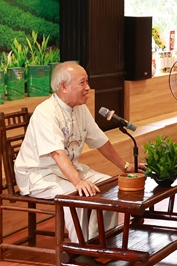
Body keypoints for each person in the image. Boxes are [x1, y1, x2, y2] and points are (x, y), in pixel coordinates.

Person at [13, 62, 136, 241]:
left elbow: (100, 141)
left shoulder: (80, 108)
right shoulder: (45, 112)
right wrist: (78, 181)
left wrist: (125, 166)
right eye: (82, 83)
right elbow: (57, 153)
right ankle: (81, 247)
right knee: (77, 194)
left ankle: (102, 242)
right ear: (63, 86)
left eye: (87, 82)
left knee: (109, 188)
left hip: (68, 170)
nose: (88, 88)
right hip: (39, 174)